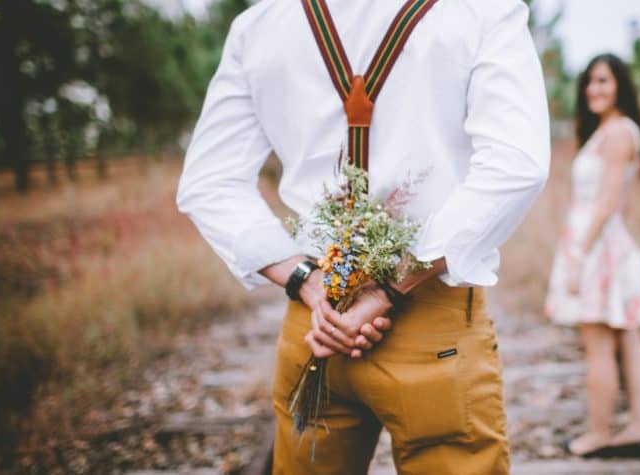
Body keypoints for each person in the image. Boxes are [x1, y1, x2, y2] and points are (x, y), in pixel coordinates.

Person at [176, 0, 550, 473]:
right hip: (432, 319)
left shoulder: (260, 25)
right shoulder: (481, 10)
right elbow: (517, 165)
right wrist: (388, 286)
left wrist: (308, 283)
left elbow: (208, 183)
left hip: (317, 325)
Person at [543, 53, 640, 458]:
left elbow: (608, 200)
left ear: (620, 86)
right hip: (607, 241)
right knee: (629, 335)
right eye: (590, 82)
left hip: (595, 245)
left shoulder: (616, 134)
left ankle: (598, 434)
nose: (594, 89)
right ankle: (637, 427)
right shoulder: (615, 130)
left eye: (603, 81)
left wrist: (578, 254)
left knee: (598, 343)